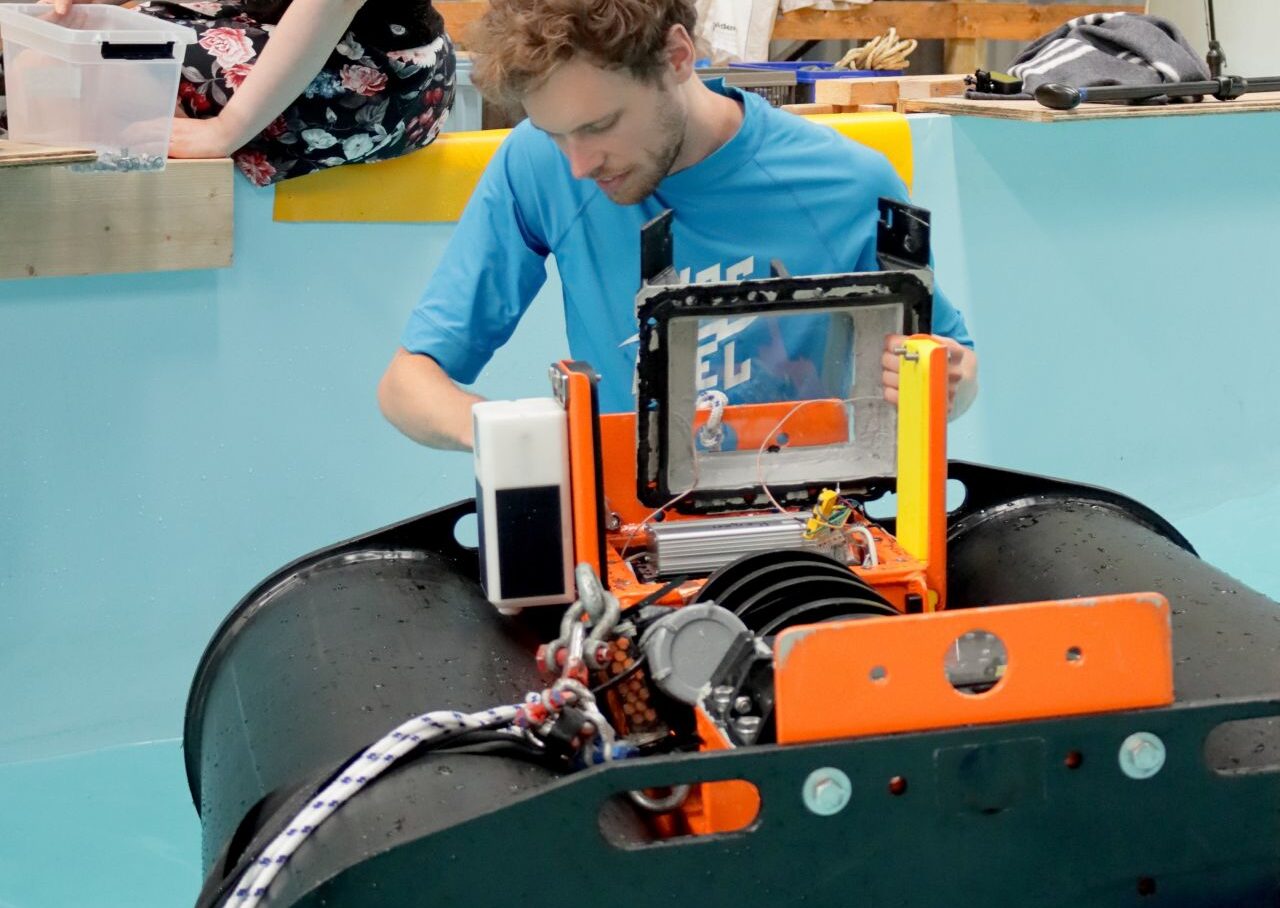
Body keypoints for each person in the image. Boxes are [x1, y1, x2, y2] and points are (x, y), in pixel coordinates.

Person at [378, 0, 978, 451]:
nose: (579, 165)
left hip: (804, 528)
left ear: (677, 57)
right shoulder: (537, 163)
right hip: (626, 533)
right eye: (554, 132)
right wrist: (527, 440)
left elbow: (957, 368)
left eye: (598, 125)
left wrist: (943, 380)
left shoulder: (849, 183)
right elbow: (408, 384)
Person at [35, 0, 455, 185]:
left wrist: (227, 128)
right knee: (44, 52)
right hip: (266, 16)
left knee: (106, 75)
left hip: (373, 68)